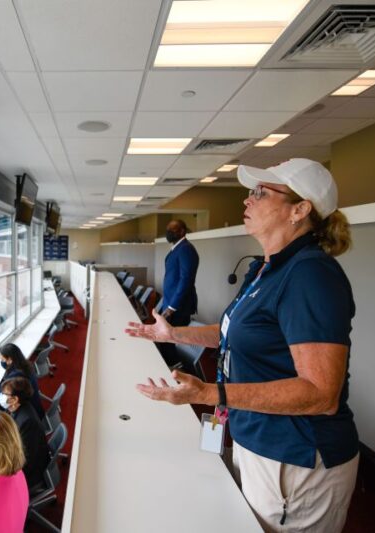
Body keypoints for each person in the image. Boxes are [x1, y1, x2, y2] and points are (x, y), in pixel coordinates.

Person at [127, 158, 359, 533]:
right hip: (255, 438)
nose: (247, 201)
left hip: (295, 457)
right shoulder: (267, 268)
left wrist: (208, 392)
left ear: (300, 210)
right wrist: (173, 335)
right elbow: (231, 332)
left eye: (260, 193)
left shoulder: (311, 275)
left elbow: (321, 393)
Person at [156, 219, 200, 367]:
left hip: (178, 307)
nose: (169, 233)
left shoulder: (186, 249)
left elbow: (186, 280)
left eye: (173, 230)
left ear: (182, 231)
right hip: (170, 303)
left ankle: (176, 371)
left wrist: (172, 307)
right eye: (168, 229)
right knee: (165, 340)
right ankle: (169, 367)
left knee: (172, 341)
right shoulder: (177, 248)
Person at [0, 376, 51, 490]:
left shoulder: (27, 421)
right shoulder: (20, 409)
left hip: (32, 472)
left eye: (4, 394)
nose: (1, 396)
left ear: (15, 399)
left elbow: (24, 458)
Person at [0, 343, 44, 417]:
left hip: (29, 413)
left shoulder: (16, 376)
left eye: (2, 359)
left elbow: (0, 401)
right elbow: (4, 385)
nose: (1, 362)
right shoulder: (24, 365)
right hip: (34, 407)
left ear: (9, 359)